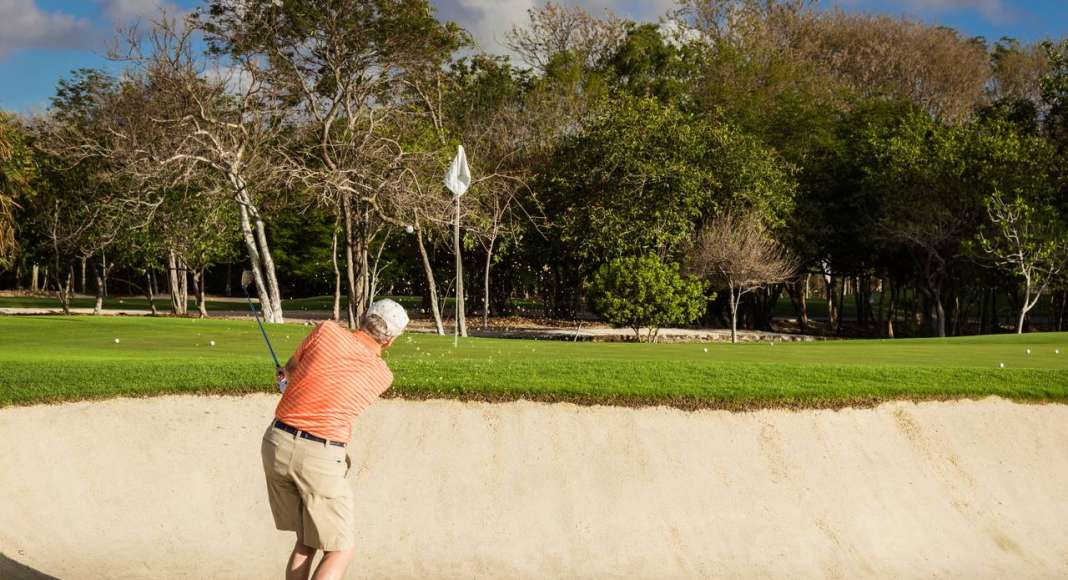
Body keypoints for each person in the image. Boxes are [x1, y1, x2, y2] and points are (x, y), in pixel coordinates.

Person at [261, 299, 409, 580]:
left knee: (306, 541)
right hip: (319, 458)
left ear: (364, 317)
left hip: (276, 443)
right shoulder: (382, 375)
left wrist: (285, 383)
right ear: (390, 341)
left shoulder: (326, 331)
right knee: (340, 550)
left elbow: (292, 370)